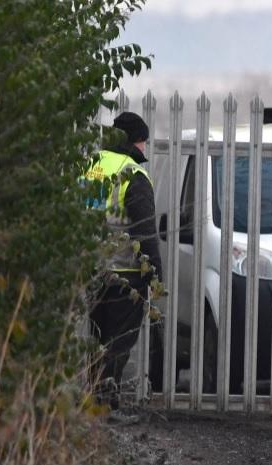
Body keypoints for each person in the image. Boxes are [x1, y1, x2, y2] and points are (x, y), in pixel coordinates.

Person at [82, 112, 163, 409]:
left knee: (98, 341)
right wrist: (155, 274)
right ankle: (105, 408)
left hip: (91, 269)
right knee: (118, 344)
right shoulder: (133, 175)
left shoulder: (92, 165)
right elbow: (145, 230)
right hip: (124, 273)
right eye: (143, 142)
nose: (145, 148)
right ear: (133, 142)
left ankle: (95, 406)